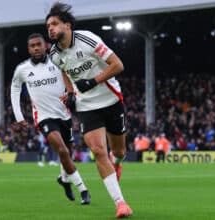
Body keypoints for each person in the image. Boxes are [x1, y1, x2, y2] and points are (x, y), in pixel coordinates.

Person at [46, 2, 132, 217]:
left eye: (55, 24)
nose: (50, 28)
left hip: (111, 100)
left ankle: (118, 163)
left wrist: (93, 81)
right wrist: (71, 92)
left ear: (67, 25)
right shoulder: (54, 54)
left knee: (119, 152)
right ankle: (120, 204)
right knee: (98, 151)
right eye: (48, 25)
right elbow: (64, 71)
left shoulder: (87, 39)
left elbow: (118, 65)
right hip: (86, 107)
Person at [11, 33, 90, 205]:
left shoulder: (57, 60)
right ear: (28, 48)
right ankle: (83, 189)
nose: (36, 48)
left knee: (67, 153)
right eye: (32, 46)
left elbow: (72, 77)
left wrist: (73, 95)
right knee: (61, 150)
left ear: (46, 45)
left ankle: (64, 179)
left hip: (64, 114)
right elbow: (15, 89)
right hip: (44, 117)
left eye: (39, 44)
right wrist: (19, 116)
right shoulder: (22, 69)